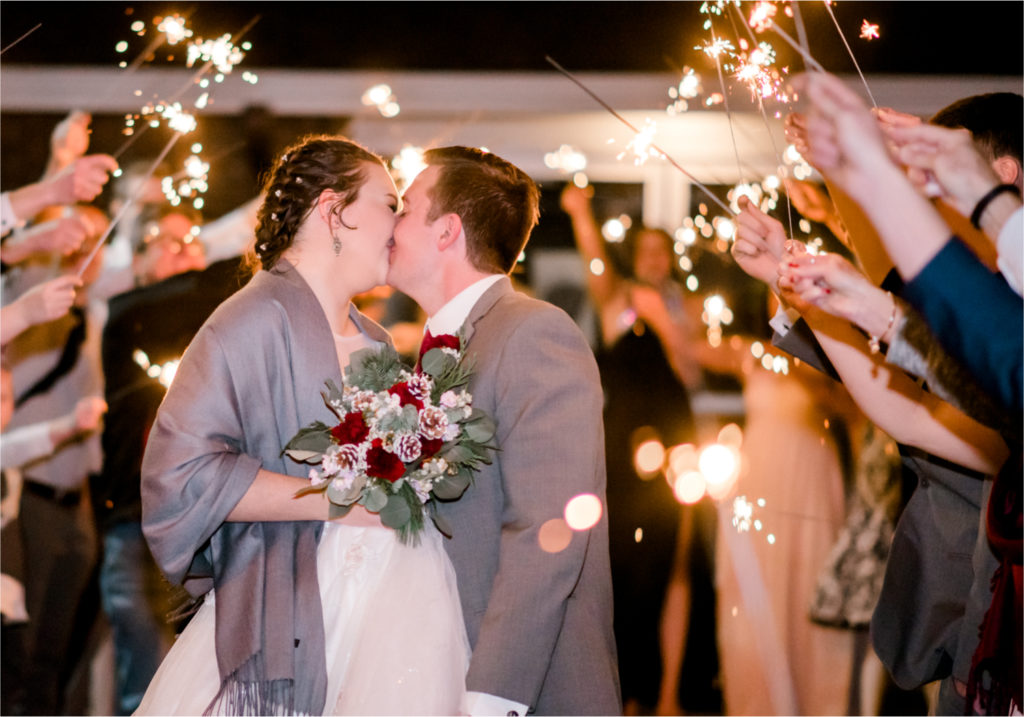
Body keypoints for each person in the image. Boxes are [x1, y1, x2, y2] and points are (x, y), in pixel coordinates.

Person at [136, 136, 470, 716]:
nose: (398, 225)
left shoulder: (377, 341)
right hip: (287, 608)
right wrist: (341, 502)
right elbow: (180, 476)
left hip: (383, 616)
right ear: (333, 210)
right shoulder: (250, 320)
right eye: (389, 204)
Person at [386, 147, 620, 716]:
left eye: (404, 208)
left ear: (447, 231)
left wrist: (492, 696)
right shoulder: (430, 353)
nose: (390, 223)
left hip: (519, 690)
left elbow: (549, 530)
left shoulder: (533, 332)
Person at [560, 183, 695, 715]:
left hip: (677, 443)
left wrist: (666, 321)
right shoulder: (619, 304)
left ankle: (665, 695)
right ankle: (620, 693)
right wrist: (580, 213)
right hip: (625, 449)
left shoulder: (687, 310)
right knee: (623, 565)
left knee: (671, 563)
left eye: (662, 251)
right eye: (646, 251)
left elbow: (692, 372)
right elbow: (596, 264)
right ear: (635, 259)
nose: (654, 259)